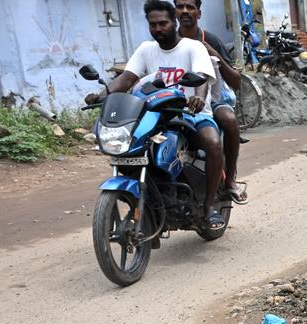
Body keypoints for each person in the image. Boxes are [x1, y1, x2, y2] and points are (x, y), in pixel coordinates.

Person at [85, 0, 226, 230]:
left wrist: (198, 97)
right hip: (155, 115)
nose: (158, 29)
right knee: (132, 148)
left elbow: (201, 77)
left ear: (173, 21)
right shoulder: (146, 49)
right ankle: (151, 201)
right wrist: (103, 94)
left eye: (163, 23)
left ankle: (209, 207)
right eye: (153, 24)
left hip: (190, 112)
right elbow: (127, 78)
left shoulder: (192, 47)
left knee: (212, 143)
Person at [175, 0, 247, 205]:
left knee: (229, 119)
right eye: (180, 7)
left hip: (213, 98)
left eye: (190, 7)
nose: (185, 11)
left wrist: (214, 54)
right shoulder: (169, 42)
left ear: (199, 12)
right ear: (175, 12)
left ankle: (230, 179)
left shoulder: (211, 40)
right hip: (179, 99)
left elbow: (236, 81)